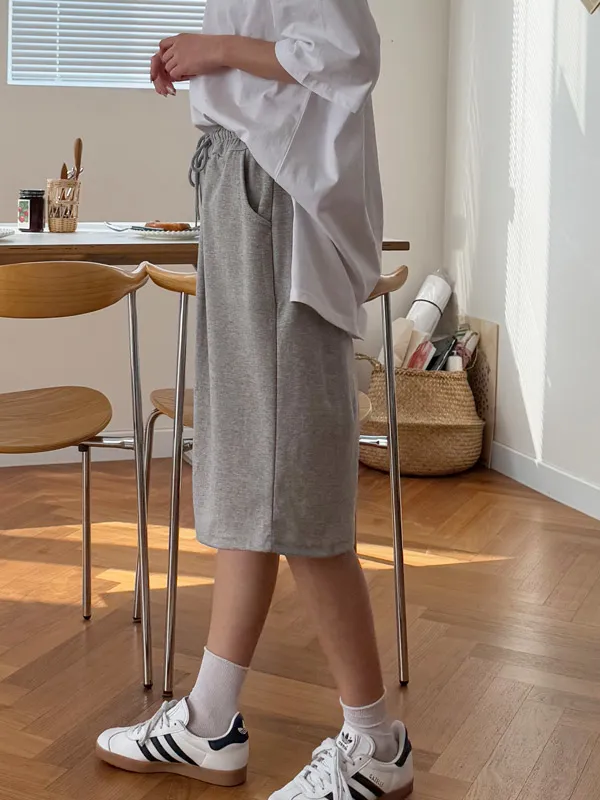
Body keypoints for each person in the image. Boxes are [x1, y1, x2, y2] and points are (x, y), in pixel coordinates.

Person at [96, 2, 414, 799]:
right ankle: (209, 720)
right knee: (253, 479)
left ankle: (375, 743)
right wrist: (207, 56)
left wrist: (216, 50)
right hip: (245, 188)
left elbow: (348, 51)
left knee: (291, 486)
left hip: (274, 198)